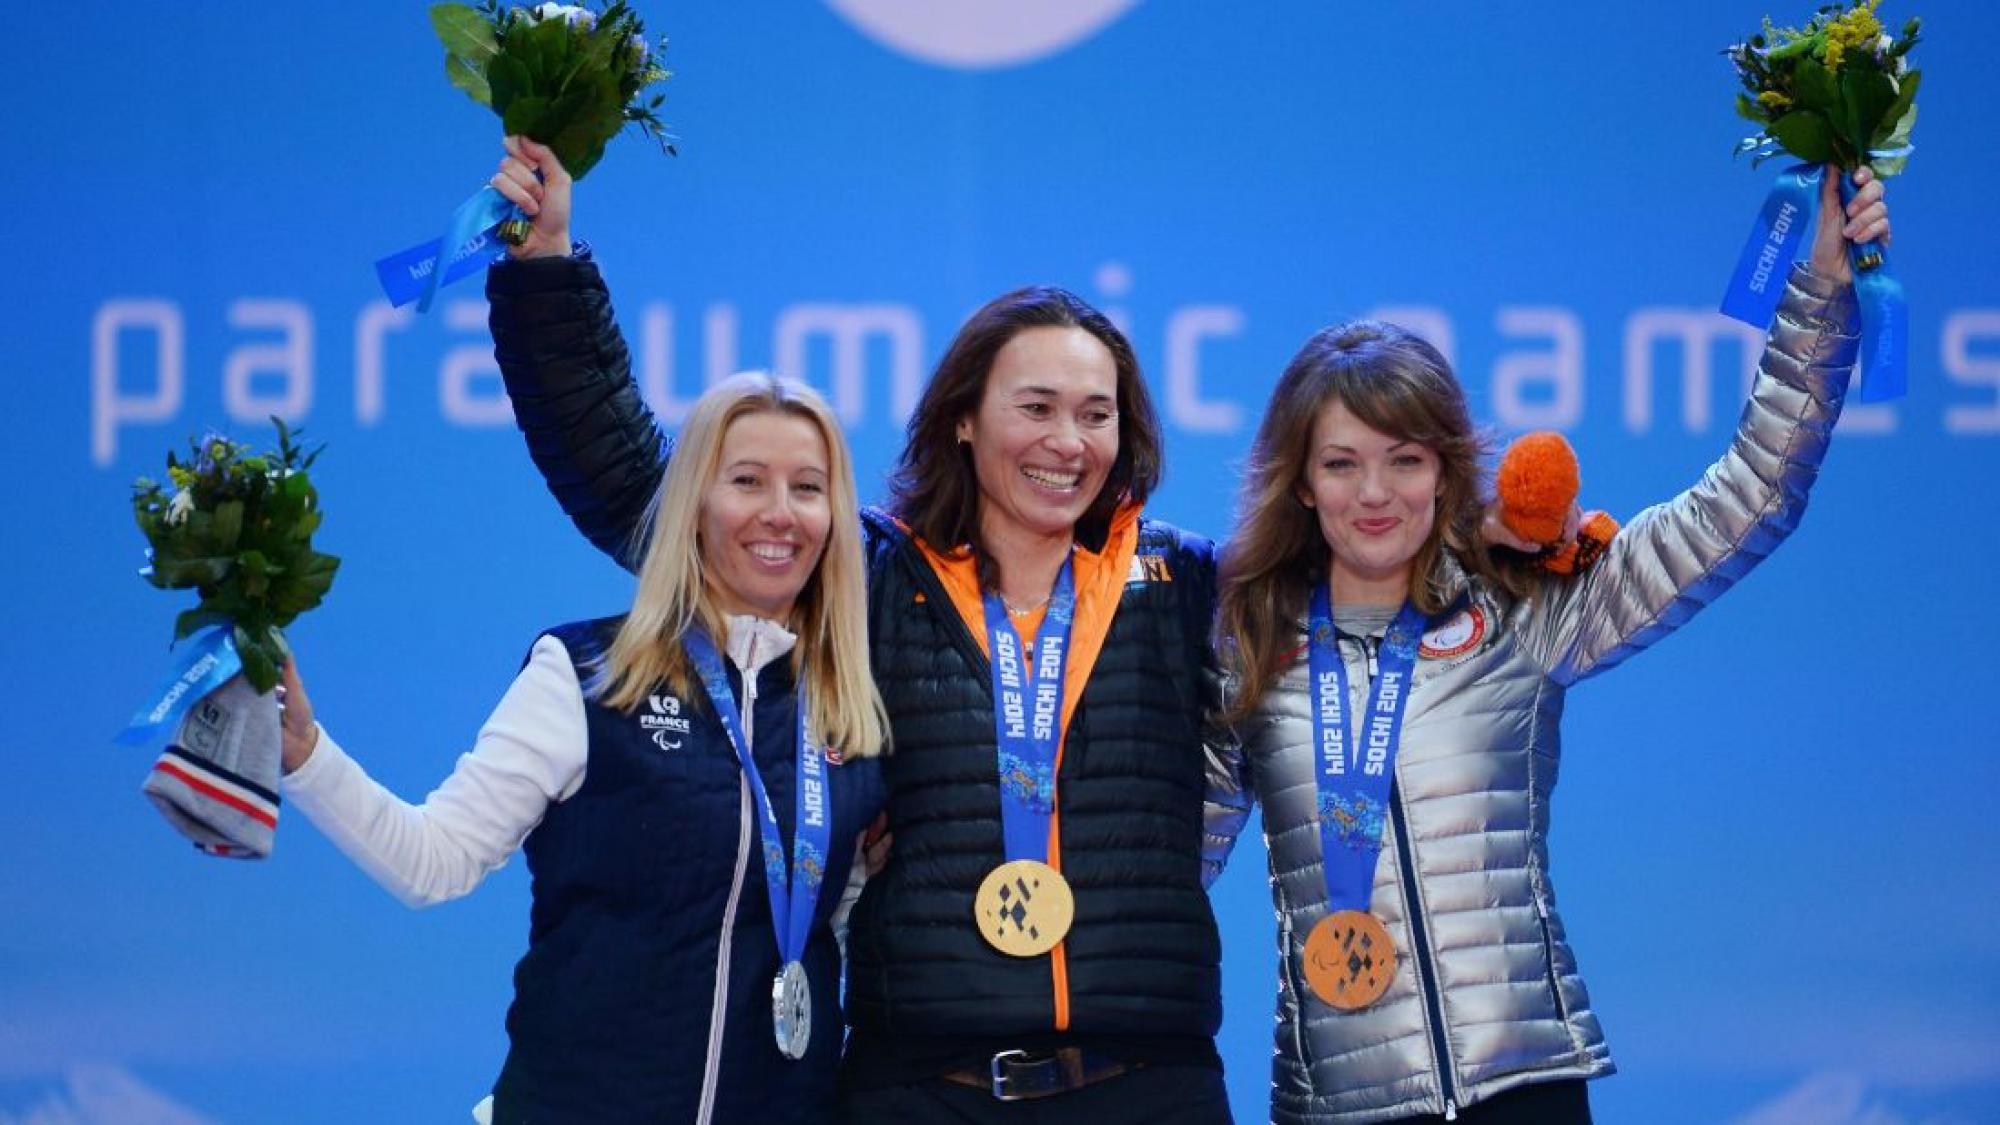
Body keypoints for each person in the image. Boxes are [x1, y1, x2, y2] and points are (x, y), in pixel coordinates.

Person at [484, 135, 1234, 1121]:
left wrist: (1504, 545)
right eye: (1035, 407)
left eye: (1096, 415)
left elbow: (1365, 565)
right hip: (920, 1087)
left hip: (1146, 1087)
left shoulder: (1184, 583)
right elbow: (632, 478)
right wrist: (545, 273)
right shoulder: (865, 579)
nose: (1067, 442)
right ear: (963, 419)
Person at [1204, 167, 1889, 1124]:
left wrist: (1819, 288)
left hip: (1521, 1088)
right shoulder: (1246, 648)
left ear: (1447, 472)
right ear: (1302, 482)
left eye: (1405, 460)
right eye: (1342, 463)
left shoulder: (1523, 609)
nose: (1375, 493)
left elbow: (1752, 497)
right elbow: (1160, 867)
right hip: (1335, 1104)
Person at [275, 371, 889, 1123]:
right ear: (693, 502)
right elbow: (432, 859)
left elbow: (847, 931)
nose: (778, 513)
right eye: (747, 480)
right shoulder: (589, 674)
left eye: (807, 487)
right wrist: (305, 753)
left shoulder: (849, 713)